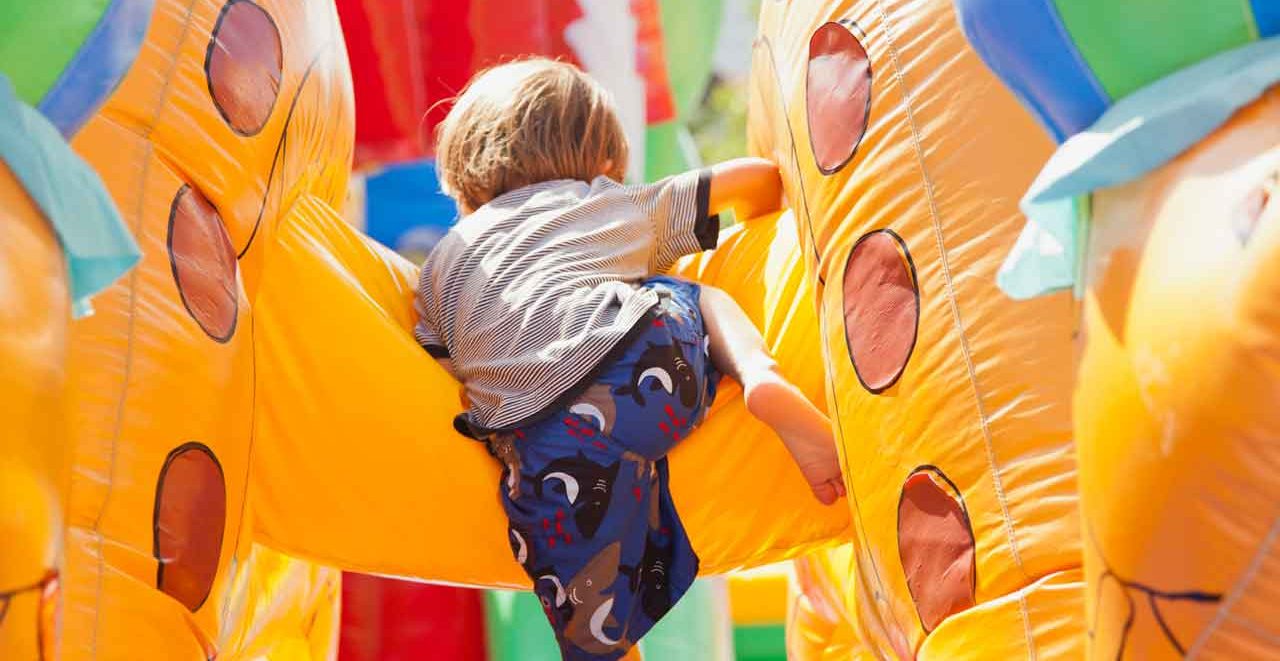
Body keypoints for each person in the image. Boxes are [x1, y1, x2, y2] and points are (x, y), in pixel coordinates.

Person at [415, 58, 843, 660]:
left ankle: (605, 641)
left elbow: (435, 356)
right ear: (605, 160)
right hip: (650, 368)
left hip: (542, 439)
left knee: (589, 615)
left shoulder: (442, 262)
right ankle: (759, 376)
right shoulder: (602, 202)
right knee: (696, 295)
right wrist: (760, 217)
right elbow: (754, 177)